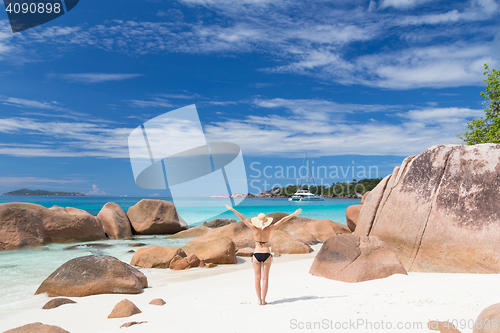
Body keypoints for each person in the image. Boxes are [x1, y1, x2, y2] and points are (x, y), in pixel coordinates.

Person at [225, 205, 302, 305]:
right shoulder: (270, 228)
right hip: (266, 254)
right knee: (265, 278)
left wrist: (233, 209)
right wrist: (294, 214)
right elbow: (283, 220)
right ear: (266, 221)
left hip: (256, 254)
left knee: (257, 278)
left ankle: (258, 300)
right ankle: (264, 300)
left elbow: (243, 218)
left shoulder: (253, 228)